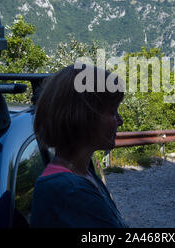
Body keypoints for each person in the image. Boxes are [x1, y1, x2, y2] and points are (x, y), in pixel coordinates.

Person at [30, 63, 129, 228]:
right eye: (112, 111)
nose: (120, 121)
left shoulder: (83, 173)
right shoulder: (70, 191)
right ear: (85, 117)